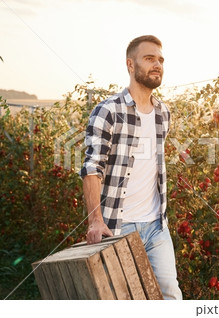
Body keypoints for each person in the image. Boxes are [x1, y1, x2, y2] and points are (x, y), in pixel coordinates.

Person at [79, 35, 182, 300]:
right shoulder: (108, 111)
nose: (157, 64)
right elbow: (92, 168)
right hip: (119, 226)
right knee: (122, 299)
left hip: (157, 226)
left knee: (170, 295)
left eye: (160, 60)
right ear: (130, 65)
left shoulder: (163, 113)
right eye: (149, 59)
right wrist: (95, 220)